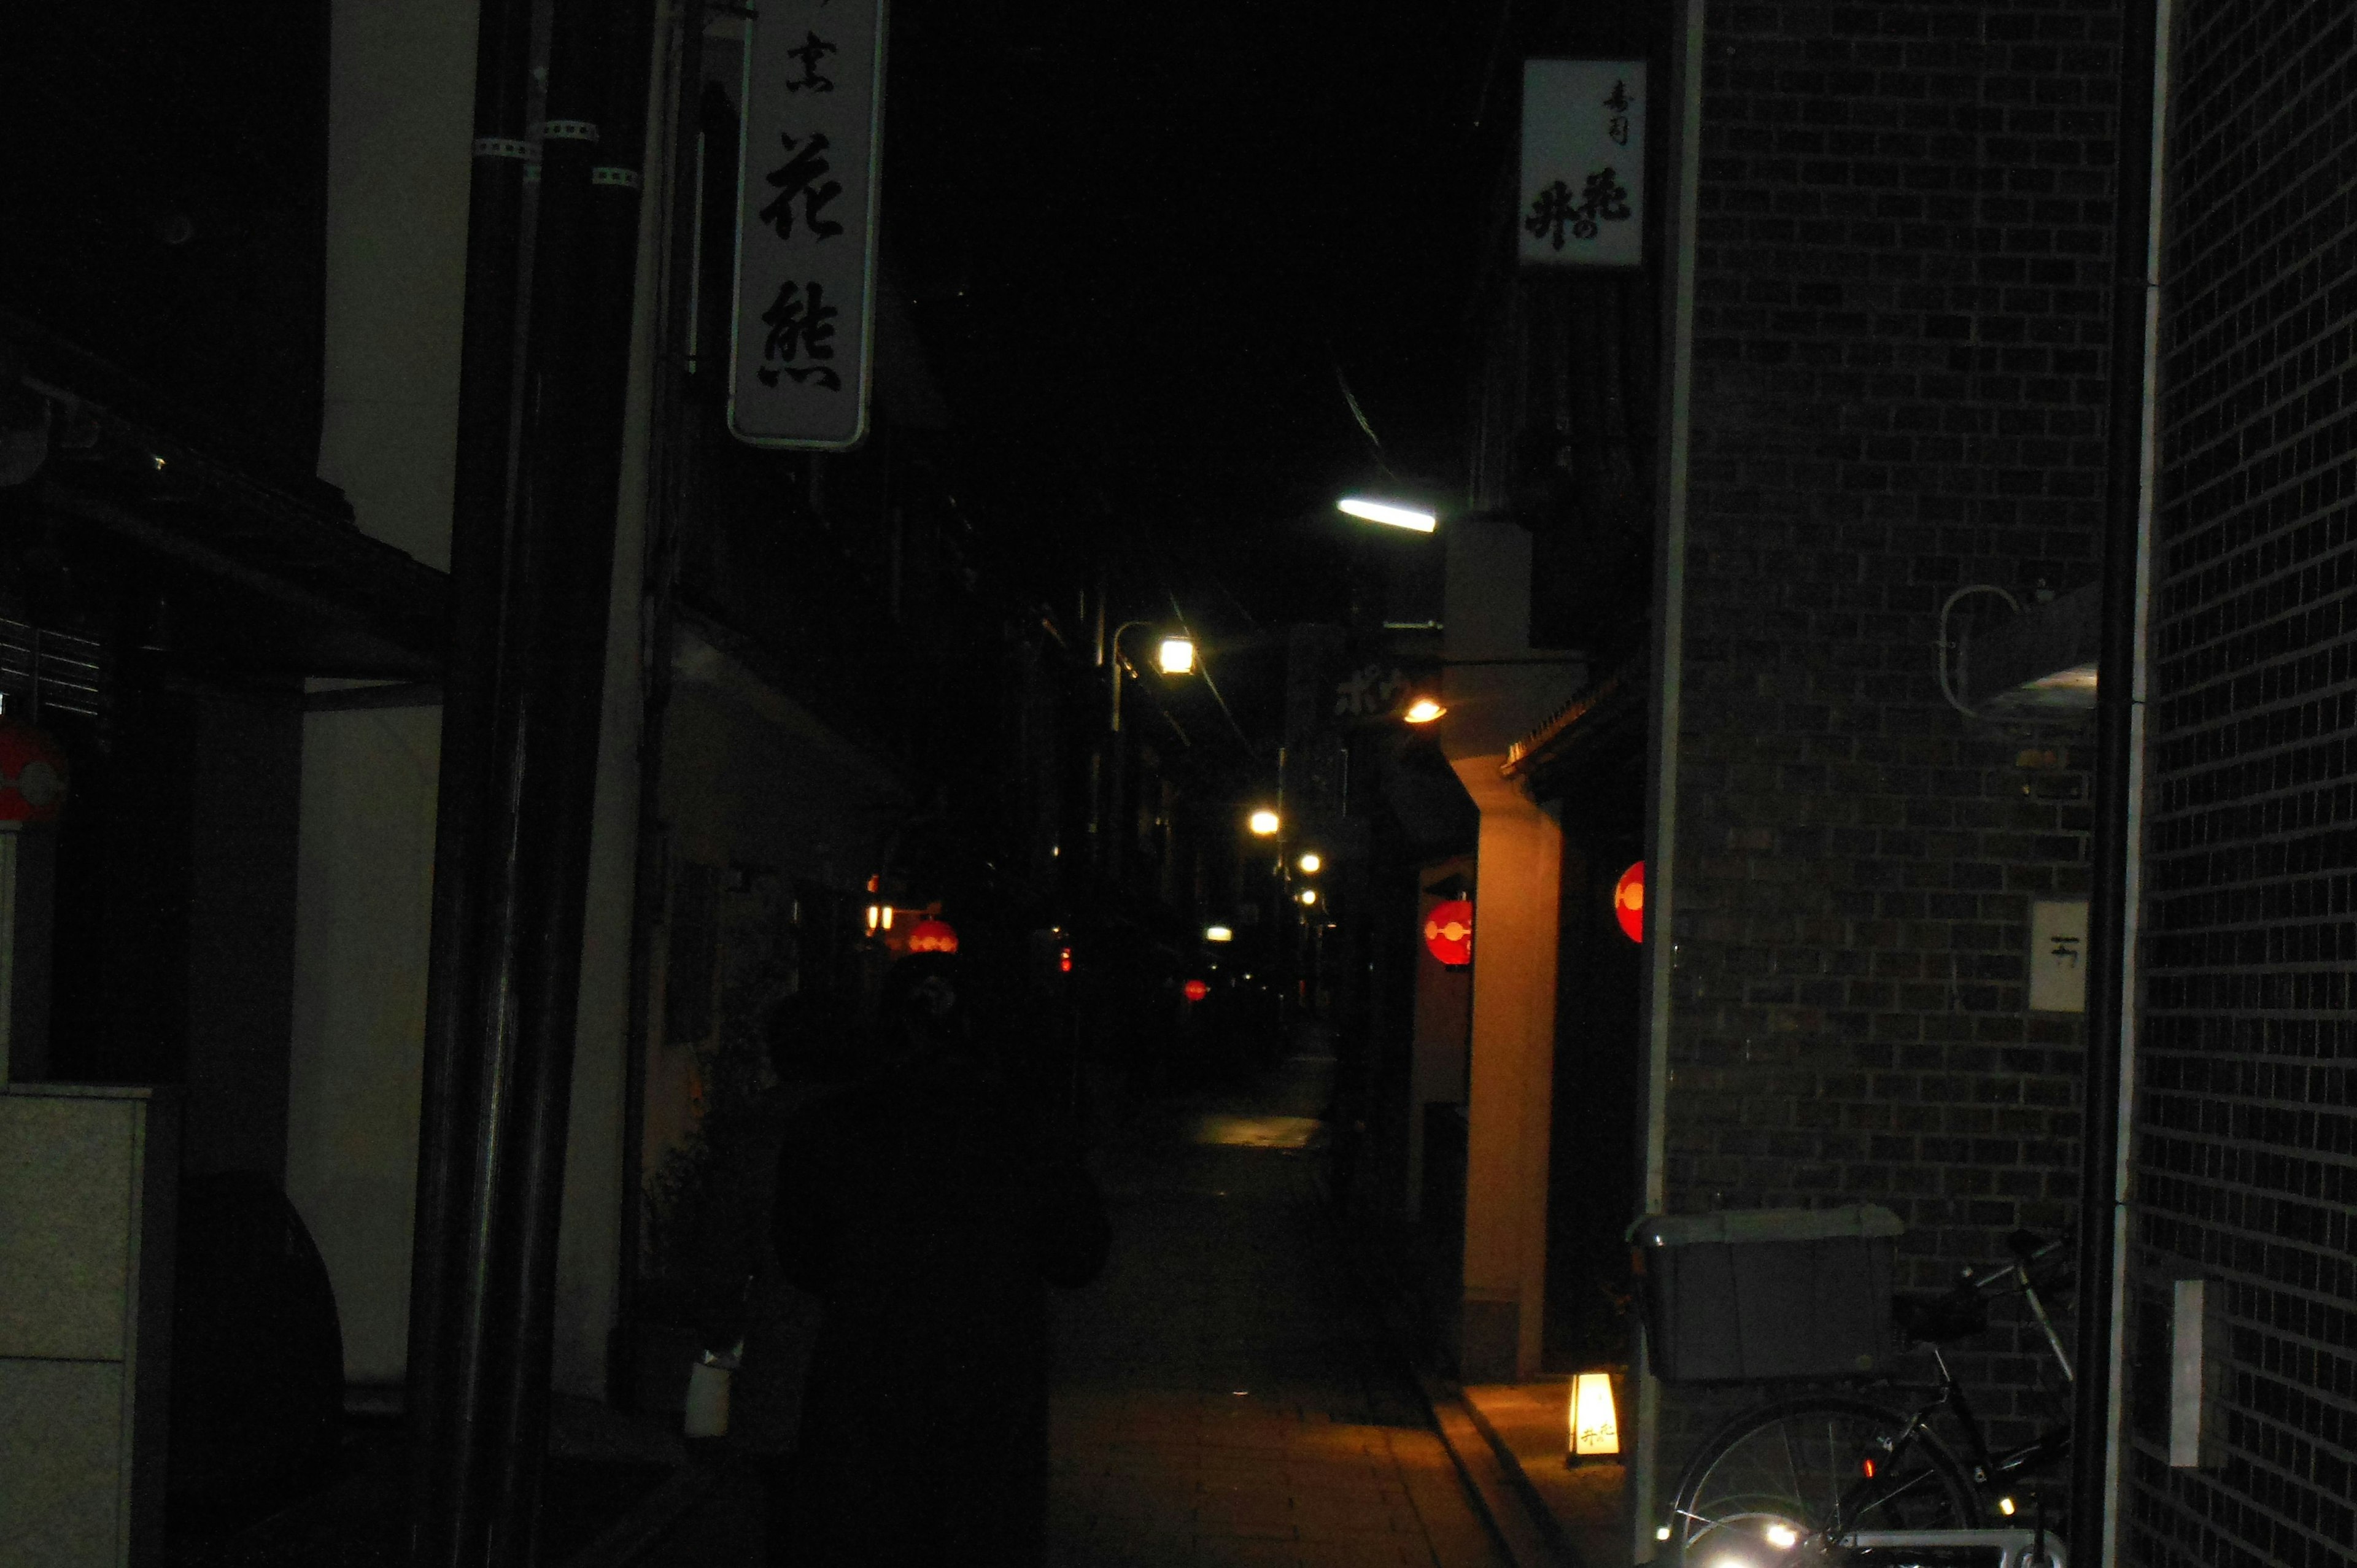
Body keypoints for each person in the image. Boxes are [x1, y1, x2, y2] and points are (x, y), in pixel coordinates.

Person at [770, 952, 1110, 1566]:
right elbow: (1078, 1255)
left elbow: (800, 1253)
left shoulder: (832, 1124)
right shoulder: (1028, 1128)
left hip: (867, 1369)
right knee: (977, 1530)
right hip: (989, 1374)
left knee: (862, 1527)